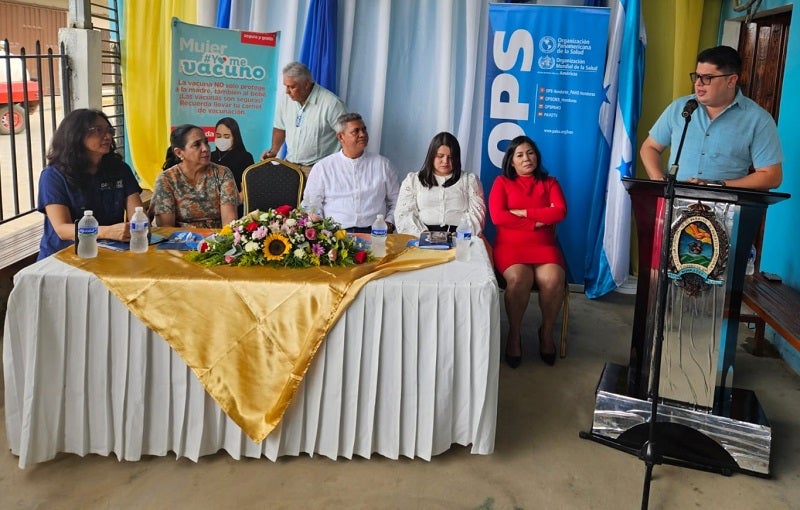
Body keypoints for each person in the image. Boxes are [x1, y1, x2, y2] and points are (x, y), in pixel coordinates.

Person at [640, 45, 783, 190]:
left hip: (724, 201)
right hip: (674, 199)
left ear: (731, 81)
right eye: (697, 76)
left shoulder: (758, 119)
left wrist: (719, 185)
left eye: (707, 78)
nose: (698, 84)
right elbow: (650, 147)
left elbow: (771, 176)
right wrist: (659, 181)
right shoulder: (680, 107)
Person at [489, 135, 567, 369]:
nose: (526, 158)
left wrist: (523, 212)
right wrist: (538, 219)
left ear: (537, 156)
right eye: (520, 155)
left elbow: (560, 212)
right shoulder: (501, 182)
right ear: (511, 161)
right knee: (519, 280)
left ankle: (546, 332)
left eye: (530, 153)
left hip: (544, 246)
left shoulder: (550, 183)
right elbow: (498, 217)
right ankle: (514, 335)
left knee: (553, 280)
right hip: (510, 247)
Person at [36, 108, 143, 259]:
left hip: (111, 251)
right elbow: (62, 229)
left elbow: (137, 213)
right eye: (98, 130)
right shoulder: (53, 176)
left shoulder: (120, 169)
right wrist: (107, 232)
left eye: (109, 131)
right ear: (76, 135)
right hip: (65, 256)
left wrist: (138, 228)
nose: (108, 136)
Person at [301, 113, 400, 233]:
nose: (362, 134)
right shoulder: (323, 167)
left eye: (364, 130)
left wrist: (389, 223)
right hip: (335, 234)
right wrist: (322, 231)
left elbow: (398, 200)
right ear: (341, 137)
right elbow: (312, 205)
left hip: (375, 232)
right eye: (356, 131)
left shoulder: (383, 165)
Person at [261, 61, 347, 176]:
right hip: (290, 167)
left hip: (318, 170)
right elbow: (280, 127)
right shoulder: (286, 99)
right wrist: (273, 151)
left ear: (306, 84)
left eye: (292, 87)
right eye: (286, 86)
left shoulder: (332, 104)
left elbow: (347, 136)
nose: (287, 91)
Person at [395, 131, 485, 236]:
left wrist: (460, 234)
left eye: (450, 157)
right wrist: (424, 235)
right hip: (420, 238)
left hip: (460, 238)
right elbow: (403, 214)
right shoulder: (413, 180)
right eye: (440, 156)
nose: (445, 161)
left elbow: (478, 215)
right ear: (431, 156)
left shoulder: (469, 180)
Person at [151, 124, 239, 229]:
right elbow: (166, 229)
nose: (205, 148)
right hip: (178, 238)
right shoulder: (166, 179)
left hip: (217, 237)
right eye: (197, 145)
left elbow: (229, 224)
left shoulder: (222, 173)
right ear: (179, 153)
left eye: (206, 142)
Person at [211, 117, 254, 216]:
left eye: (226, 136)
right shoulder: (210, 156)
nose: (222, 139)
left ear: (235, 137)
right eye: (218, 136)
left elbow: (246, 189)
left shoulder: (245, 157)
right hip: (210, 209)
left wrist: (230, 205)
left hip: (233, 209)